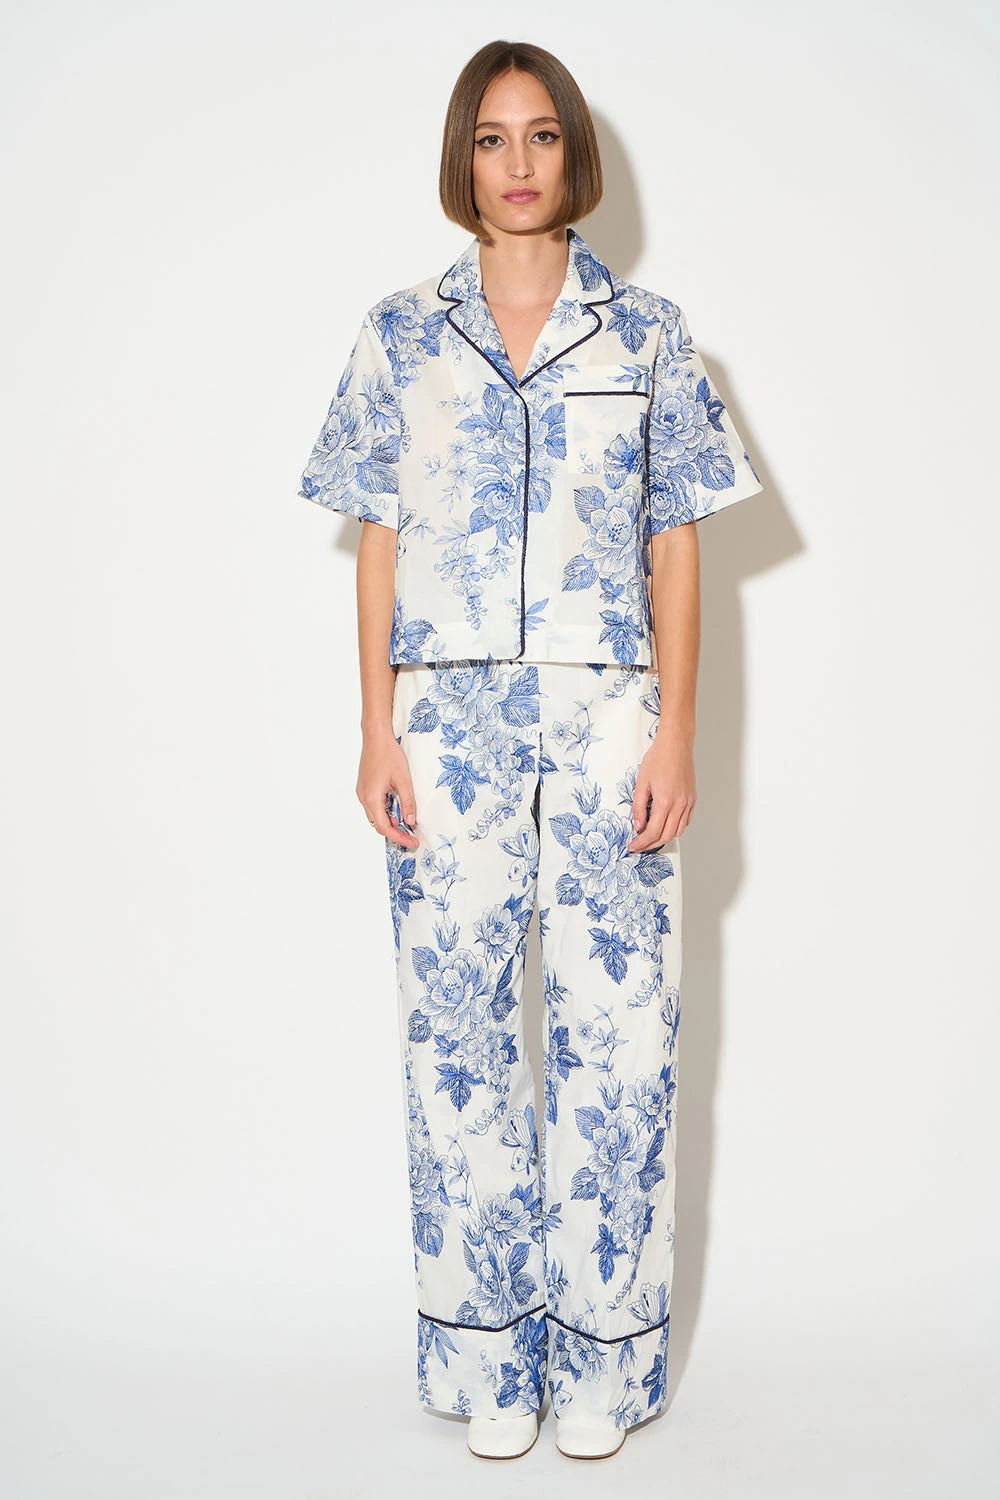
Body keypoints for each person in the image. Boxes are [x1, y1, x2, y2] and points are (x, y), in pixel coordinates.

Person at [296, 38, 763, 1463]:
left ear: (574, 155)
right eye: (492, 137)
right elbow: (376, 543)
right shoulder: (398, 334)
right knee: (458, 1047)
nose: (516, 162)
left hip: (612, 726)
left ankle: (607, 1368)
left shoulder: (653, 336)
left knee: (622, 1045)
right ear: (465, 157)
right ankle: (490, 1363)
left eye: (541, 134)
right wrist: (374, 729)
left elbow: (676, 550)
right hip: (445, 731)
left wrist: (678, 734)